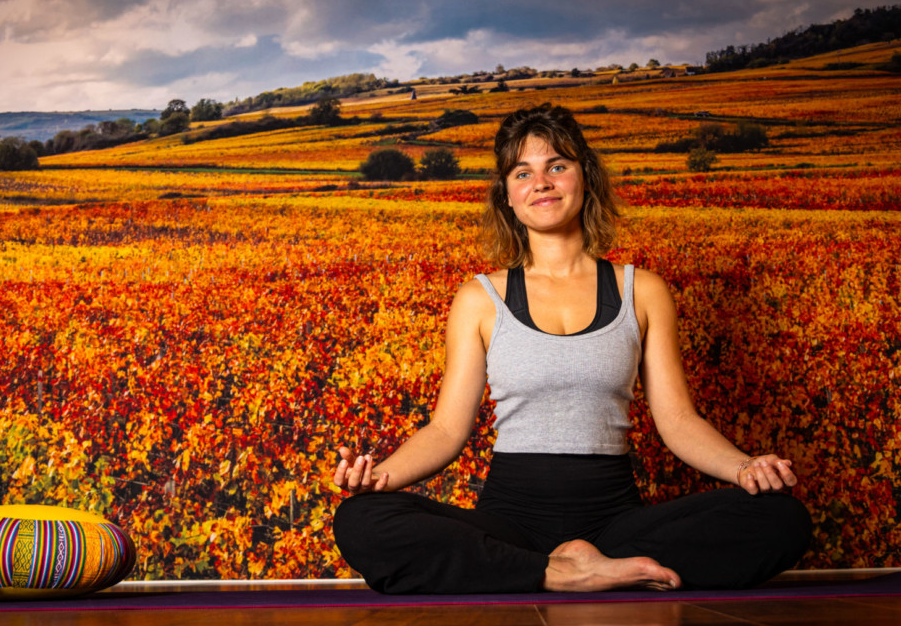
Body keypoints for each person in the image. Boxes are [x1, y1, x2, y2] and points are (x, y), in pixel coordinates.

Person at [331, 103, 811, 594]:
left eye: (557, 166)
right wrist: (381, 477)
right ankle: (554, 571)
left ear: (585, 180)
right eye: (524, 172)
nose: (542, 182)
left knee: (781, 518)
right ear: (508, 199)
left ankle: (568, 567)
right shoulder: (480, 298)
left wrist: (744, 466)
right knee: (361, 520)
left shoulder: (641, 290)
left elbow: (679, 422)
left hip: (615, 524)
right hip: (510, 524)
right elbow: (448, 429)